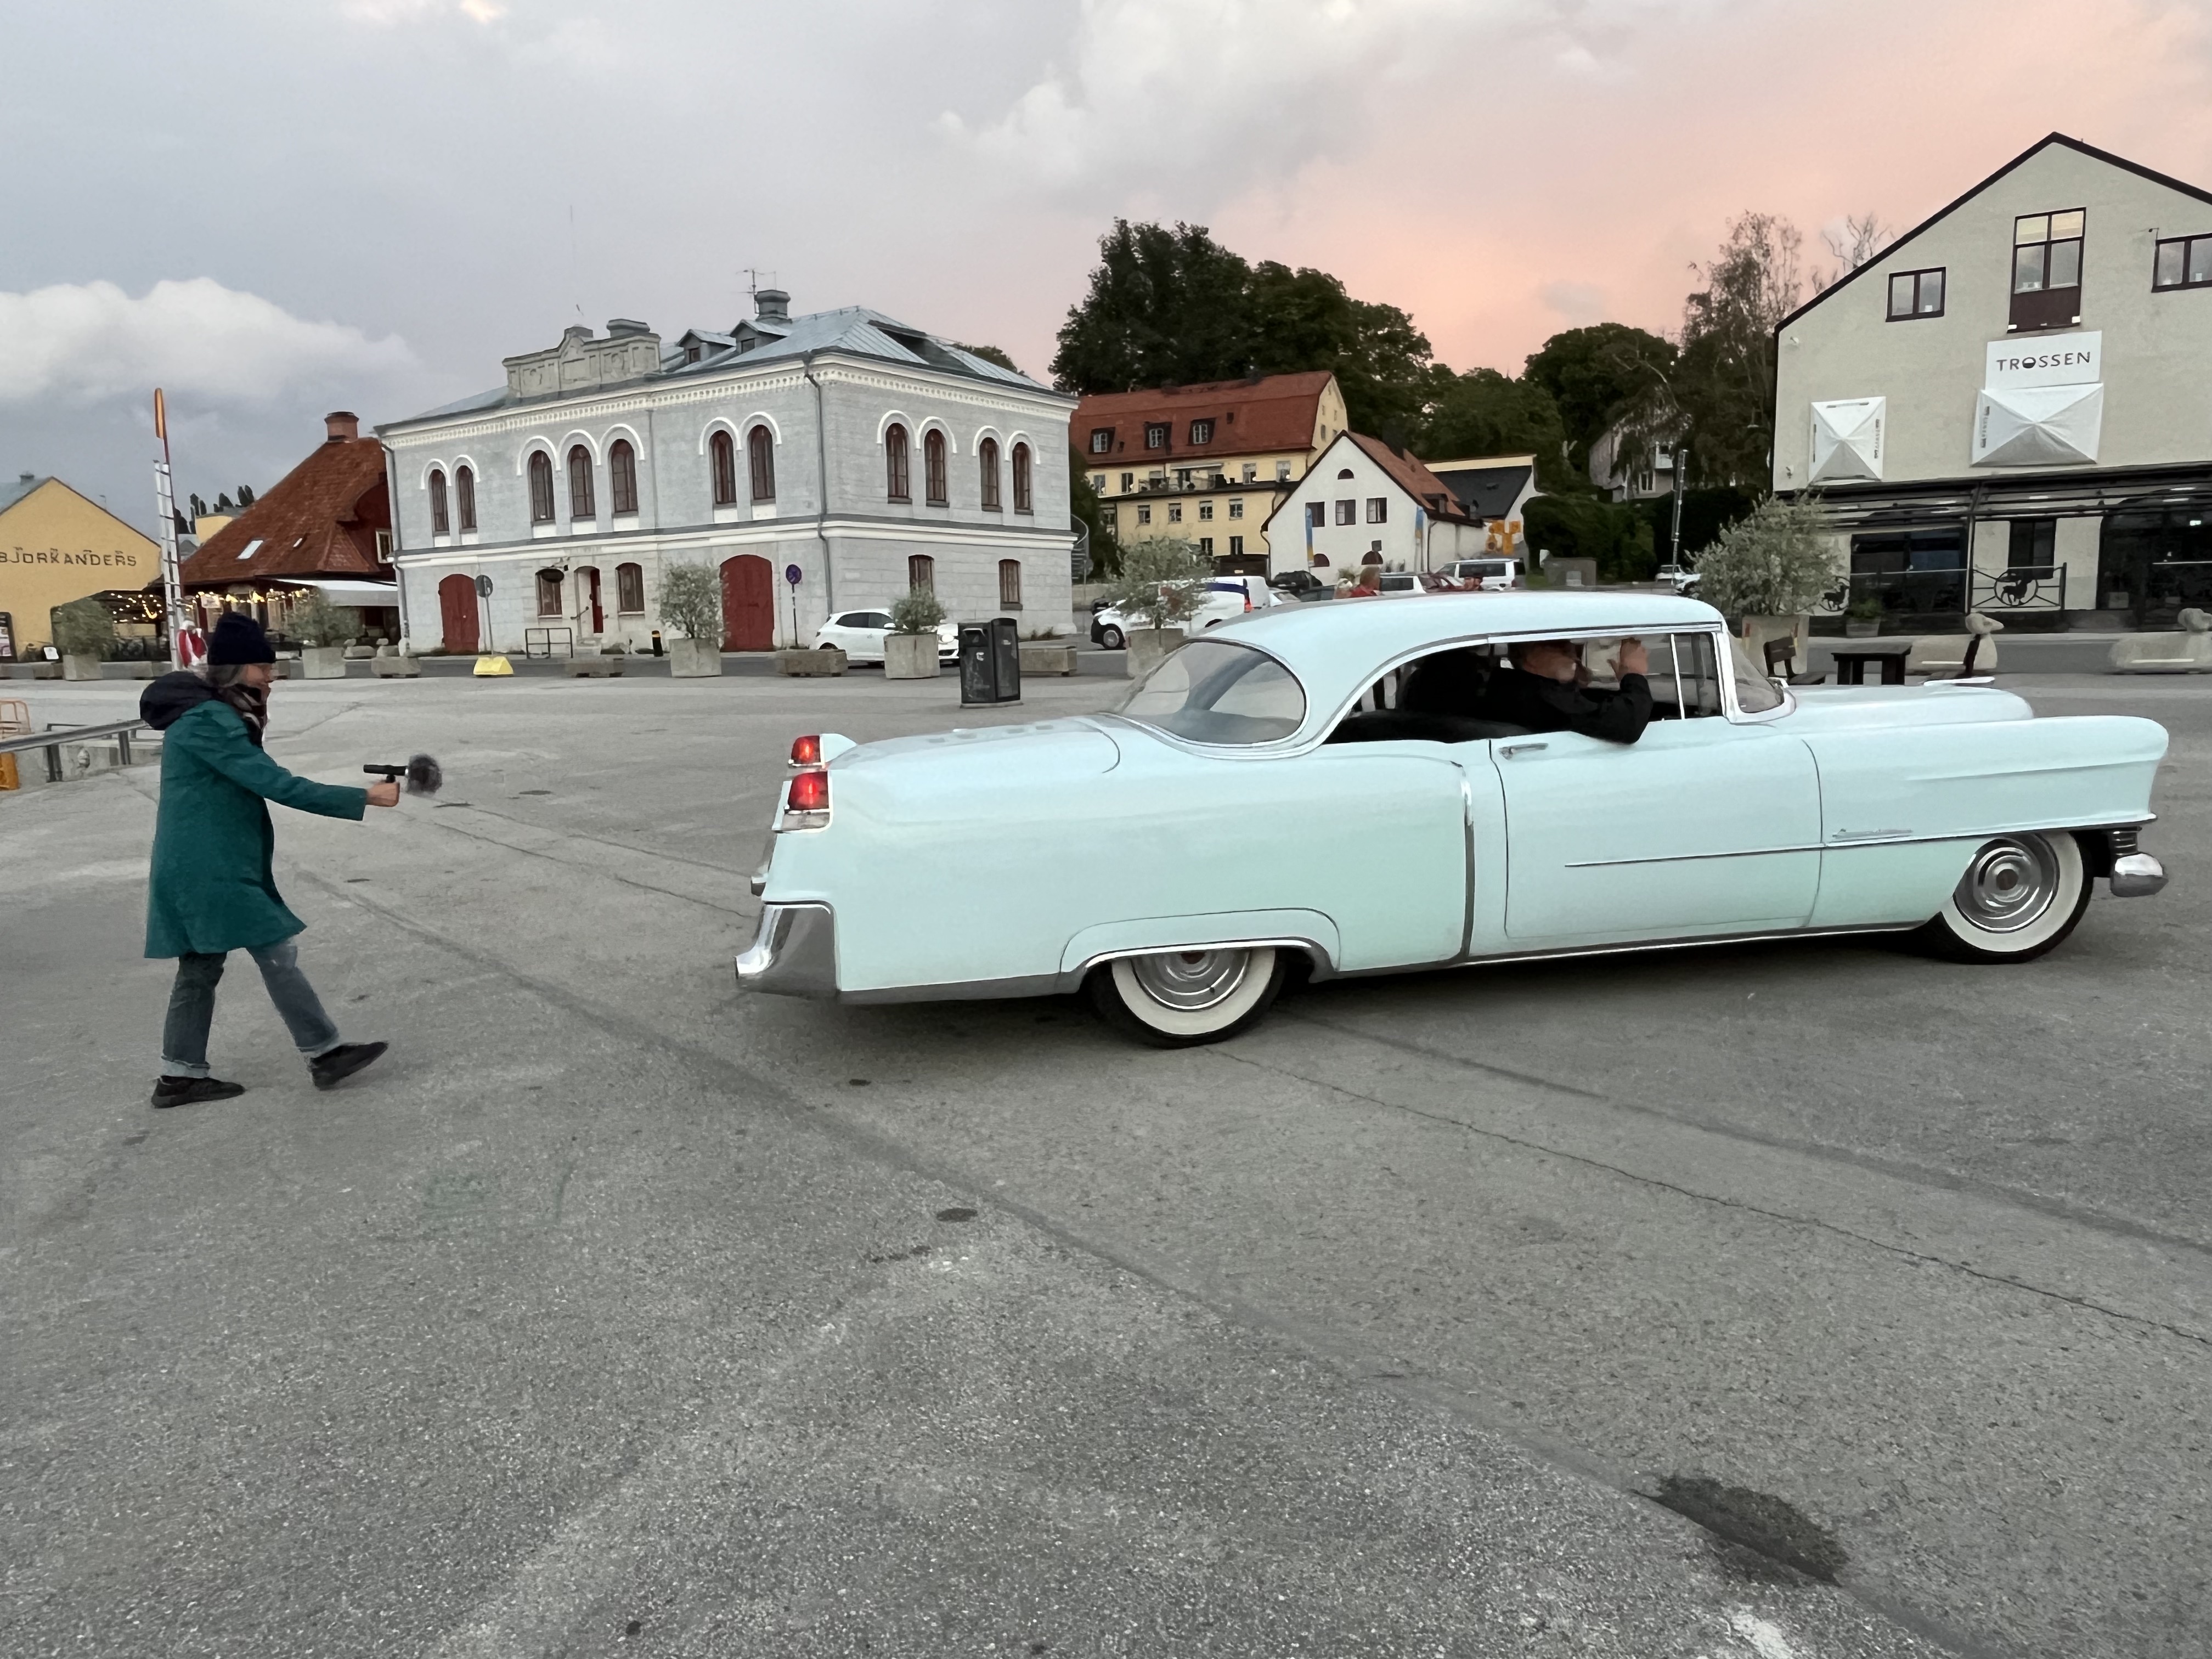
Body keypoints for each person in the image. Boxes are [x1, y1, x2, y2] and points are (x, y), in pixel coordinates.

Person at [140, 613, 398, 1108]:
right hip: (211, 868)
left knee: (200, 968)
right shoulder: (211, 722)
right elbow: (276, 783)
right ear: (238, 670)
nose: (271, 678)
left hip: (202, 863)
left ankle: (179, 1076)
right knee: (274, 952)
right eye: (264, 668)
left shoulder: (209, 714)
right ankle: (323, 1053)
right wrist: (364, 797)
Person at [1472, 637, 1654, 744]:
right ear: (1529, 657)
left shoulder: (1509, 687)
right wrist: (1634, 673)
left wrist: (1574, 680)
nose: (1570, 650)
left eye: (1570, 644)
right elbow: (1628, 725)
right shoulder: (1539, 695)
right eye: (1554, 643)